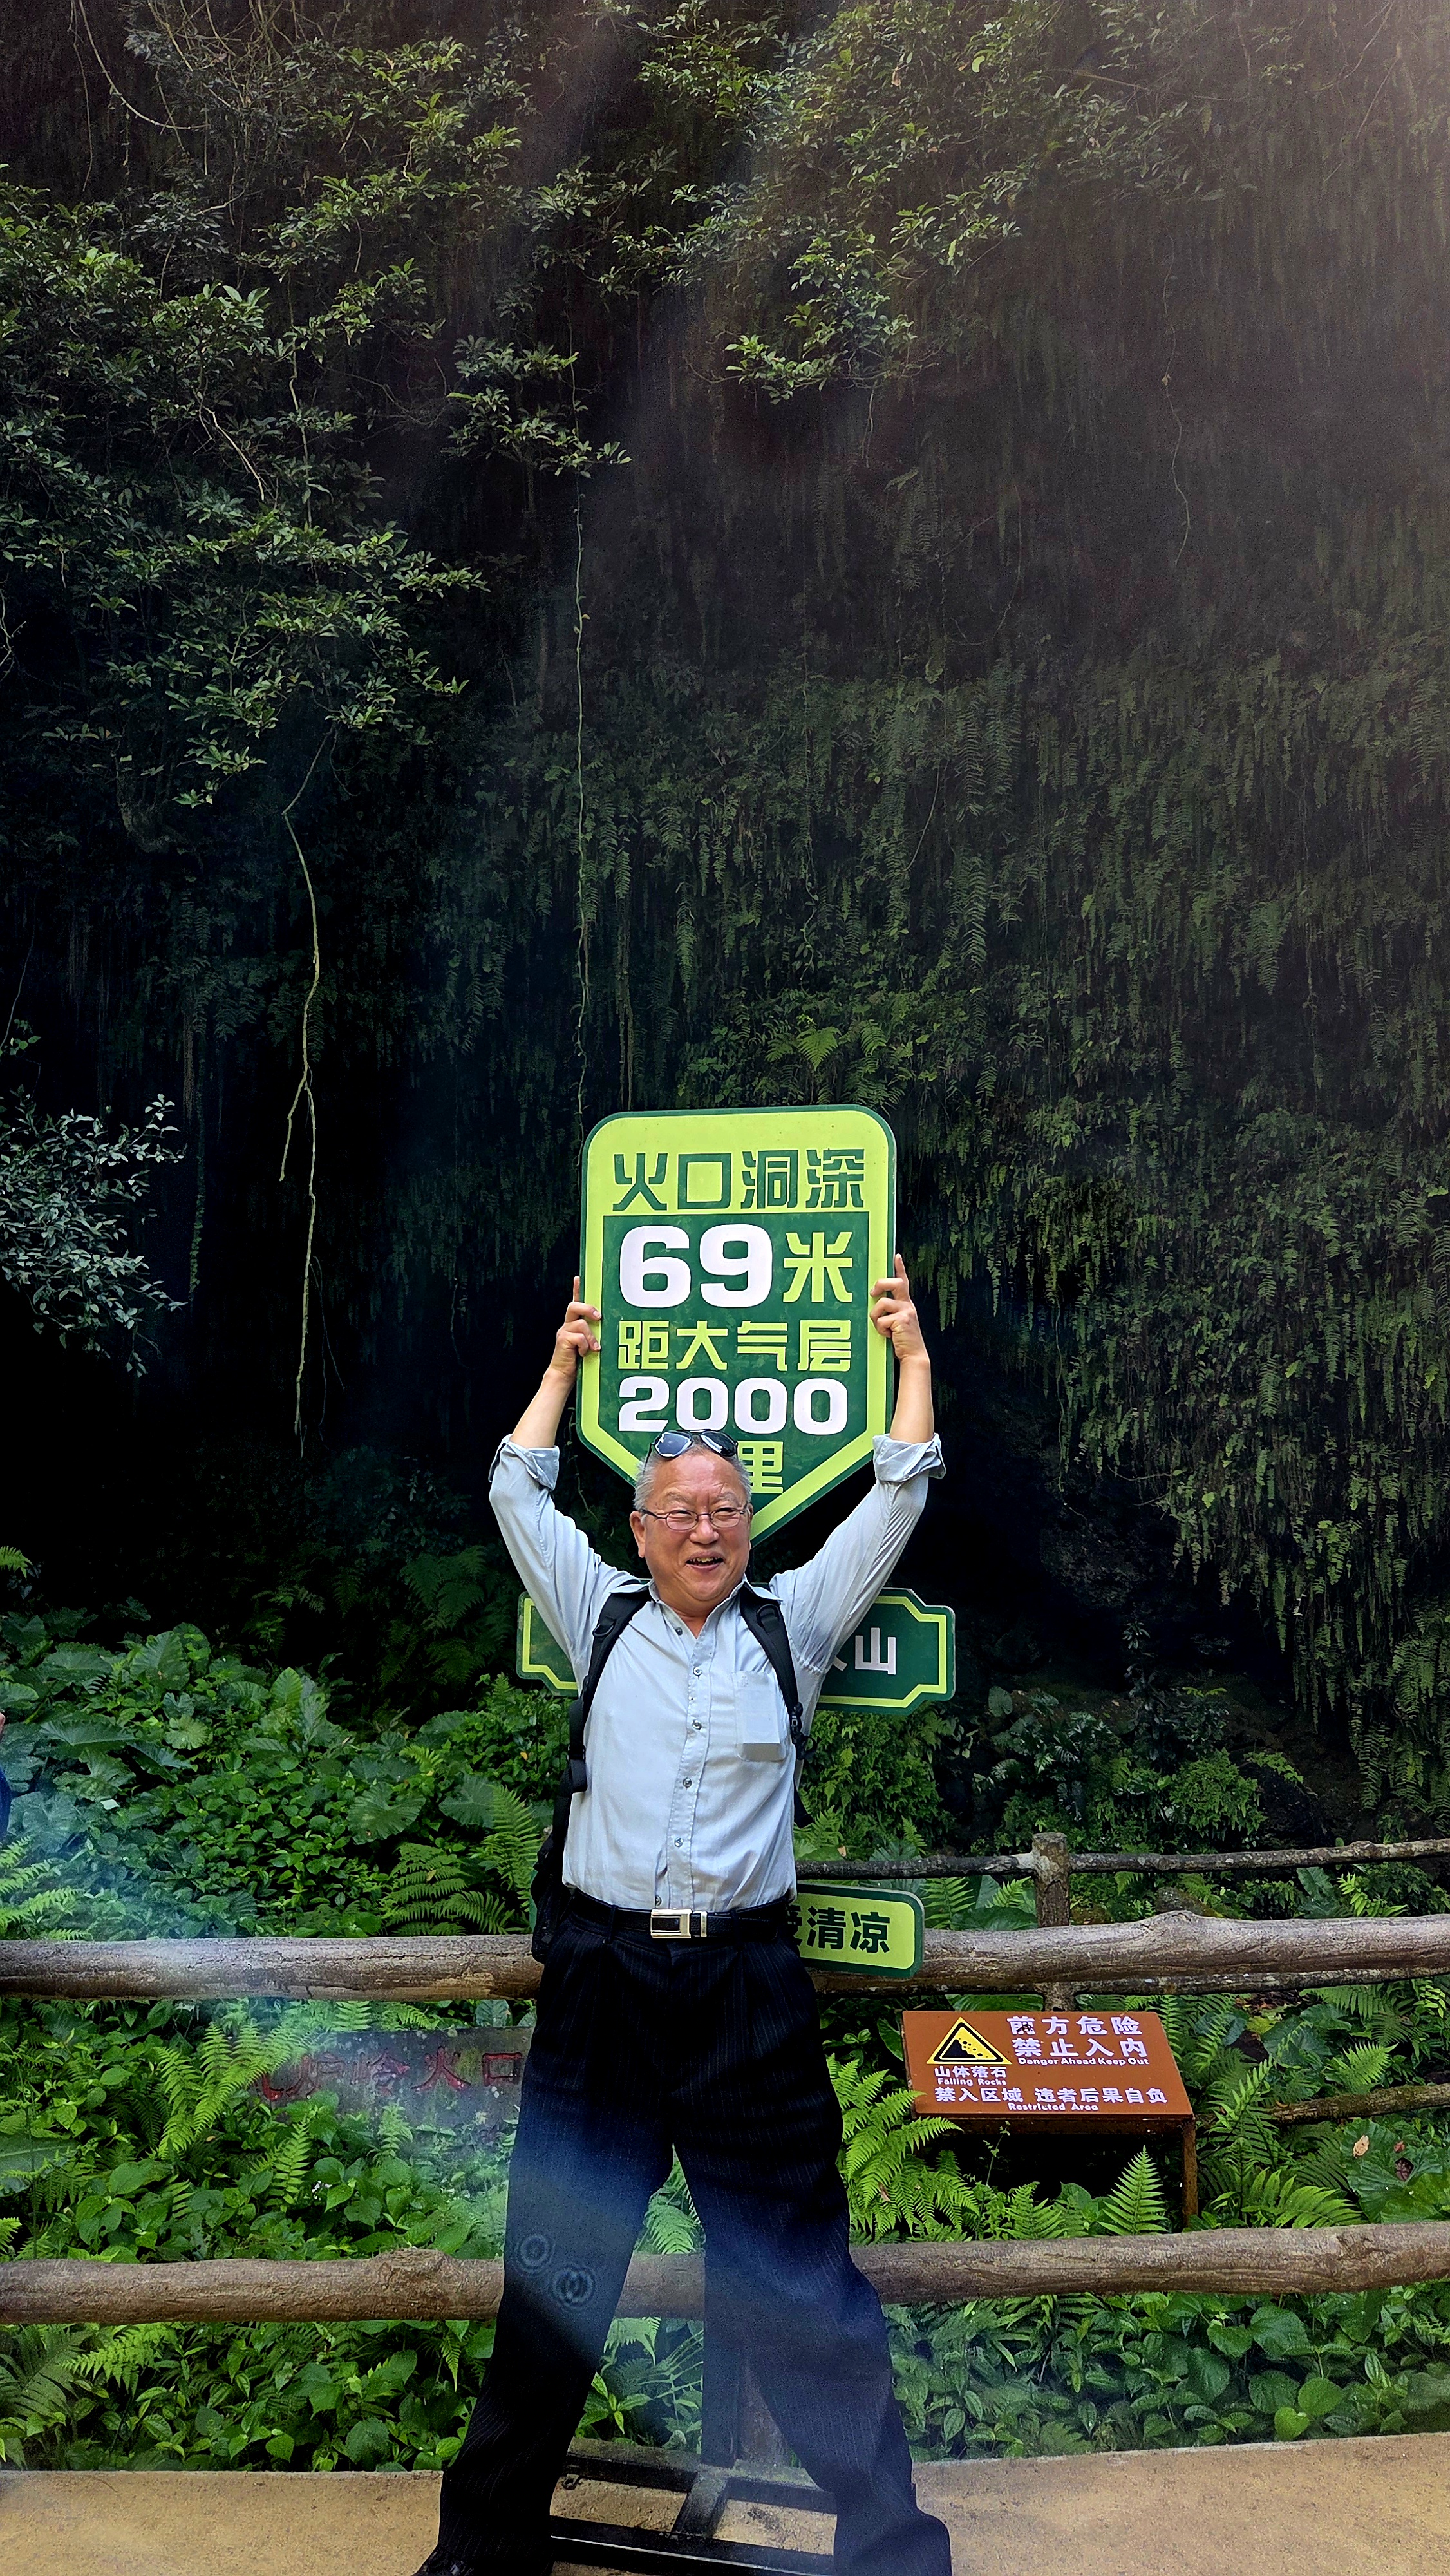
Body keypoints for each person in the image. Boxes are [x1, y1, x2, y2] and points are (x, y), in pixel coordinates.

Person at [413, 1255, 952, 2576]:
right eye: (681, 1513)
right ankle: (486, 2546)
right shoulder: (595, 1612)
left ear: (748, 1523)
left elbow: (897, 1489)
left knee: (799, 2279)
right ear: (642, 1529)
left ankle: (892, 2550)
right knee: (556, 2268)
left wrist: (911, 1360)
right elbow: (514, 1485)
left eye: (727, 1509)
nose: (706, 1531)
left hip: (745, 1994)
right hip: (601, 1982)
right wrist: (561, 1366)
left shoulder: (793, 1624)